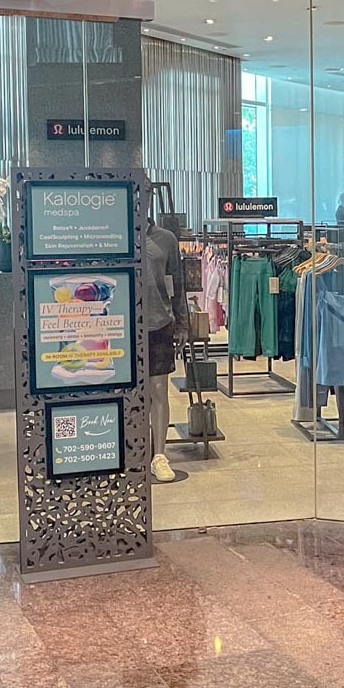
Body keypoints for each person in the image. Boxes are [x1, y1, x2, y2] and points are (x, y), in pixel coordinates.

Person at [142, 182, 189, 483]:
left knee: (159, 389)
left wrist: (182, 322)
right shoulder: (113, 234)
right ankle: (137, 449)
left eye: (145, 194)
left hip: (159, 322)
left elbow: (177, 283)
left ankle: (160, 454)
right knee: (133, 392)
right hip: (121, 328)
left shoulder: (166, 239)